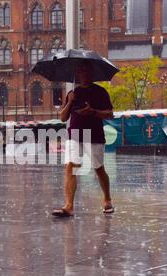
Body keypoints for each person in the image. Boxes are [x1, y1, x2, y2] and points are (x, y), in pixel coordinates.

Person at [52, 61, 115, 218]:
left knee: (98, 169)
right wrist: (70, 101)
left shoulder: (100, 92)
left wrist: (93, 112)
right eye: (81, 71)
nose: (84, 74)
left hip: (94, 135)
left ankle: (107, 199)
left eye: (87, 71)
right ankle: (68, 206)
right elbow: (62, 117)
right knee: (70, 168)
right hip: (74, 135)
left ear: (91, 74)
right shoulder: (72, 93)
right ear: (78, 74)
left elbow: (110, 114)